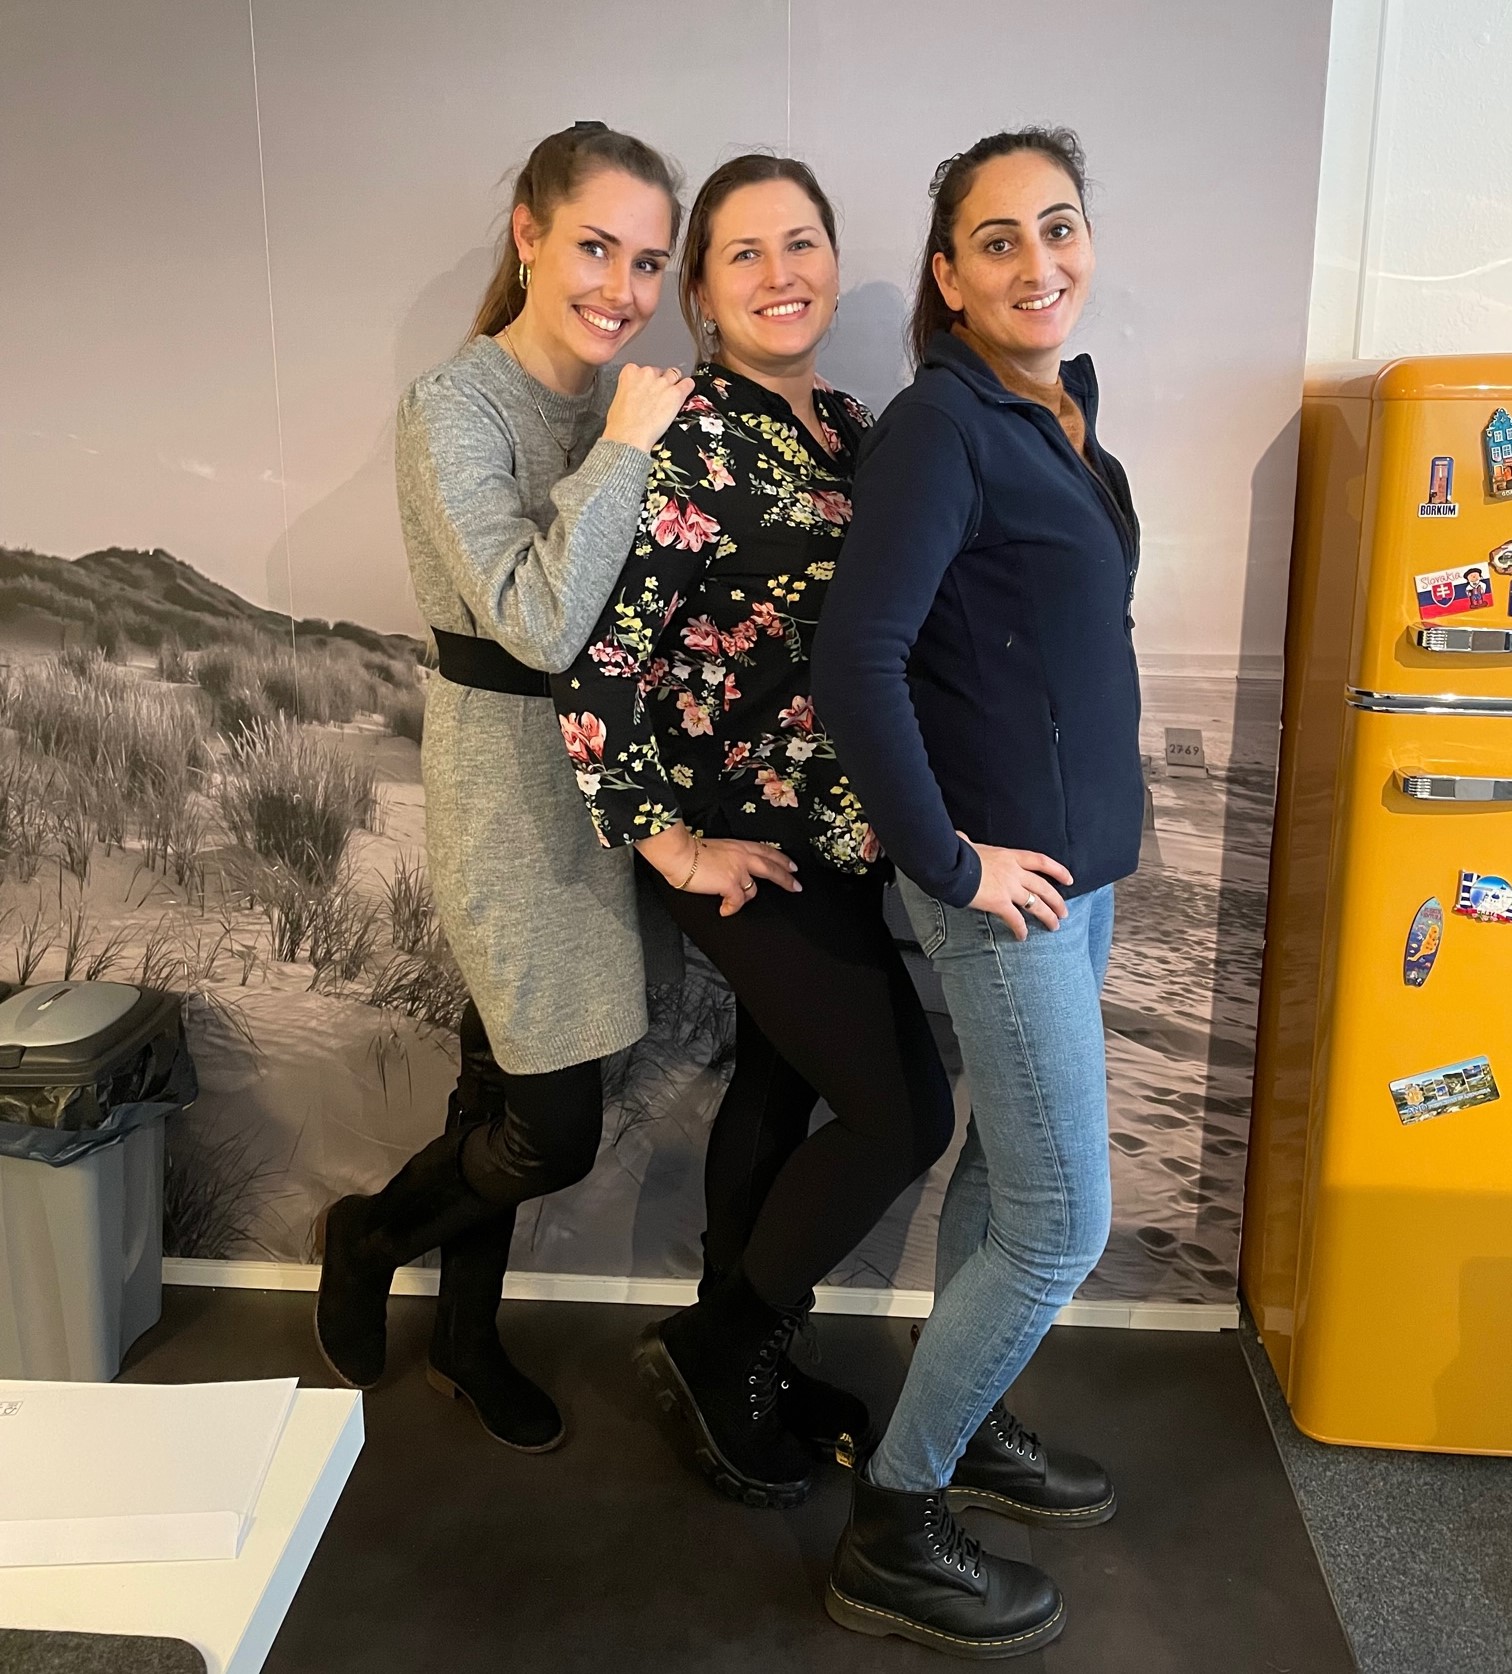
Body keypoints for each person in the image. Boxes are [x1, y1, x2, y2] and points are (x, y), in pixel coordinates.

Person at [550, 154, 956, 1509]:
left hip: (835, 834)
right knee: (902, 1113)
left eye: (803, 243)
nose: (782, 274)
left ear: (836, 259)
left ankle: (750, 1362)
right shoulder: (689, 435)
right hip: (736, 839)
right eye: (744, 253)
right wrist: (671, 846)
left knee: (783, 1093)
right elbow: (598, 664)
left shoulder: (853, 427)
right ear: (703, 296)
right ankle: (720, 1347)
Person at [812, 128, 1143, 1656]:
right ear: (947, 277)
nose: (1037, 261)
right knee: (1063, 1220)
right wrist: (948, 860)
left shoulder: (1062, 414)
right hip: (1005, 890)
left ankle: (970, 1414)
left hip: (1080, 879)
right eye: (997, 239)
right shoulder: (940, 427)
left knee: (1011, 1185)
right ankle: (898, 1519)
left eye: (1057, 227)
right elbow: (856, 663)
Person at [314, 123, 693, 1452]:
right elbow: (534, 621)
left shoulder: (616, 402)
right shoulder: (457, 408)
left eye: (649, 262)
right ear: (529, 235)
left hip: (607, 791)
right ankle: (370, 1236)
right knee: (553, 1124)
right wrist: (626, 451)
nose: (624, 289)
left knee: (496, 1081)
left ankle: (466, 1342)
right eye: (596, 247)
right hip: (508, 793)